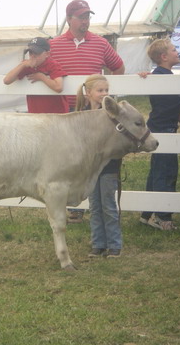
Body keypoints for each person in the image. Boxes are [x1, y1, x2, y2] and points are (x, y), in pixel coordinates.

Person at [49, 0, 125, 223]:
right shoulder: (54, 45)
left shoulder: (100, 43)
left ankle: (88, 202)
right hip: (69, 110)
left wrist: (105, 94)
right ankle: (76, 204)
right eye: (81, 16)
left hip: (93, 111)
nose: (85, 21)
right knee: (72, 158)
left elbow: (118, 66)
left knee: (93, 156)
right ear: (69, 19)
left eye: (87, 16)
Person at [138, 39, 180, 230]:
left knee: (157, 172)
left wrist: (178, 116)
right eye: (173, 49)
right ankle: (162, 216)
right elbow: (153, 91)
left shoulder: (166, 75)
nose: (177, 52)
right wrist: (145, 76)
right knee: (166, 172)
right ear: (163, 57)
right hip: (162, 131)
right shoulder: (159, 76)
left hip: (165, 127)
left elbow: (164, 104)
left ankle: (147, 214)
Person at [74, 75, 122, 258]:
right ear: (88, 93)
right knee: (95, 207)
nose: (104, 94)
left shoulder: (113, 113)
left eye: (107, 90)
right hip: (90, 169)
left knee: (108, 206)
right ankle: (98, 243)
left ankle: (114, 244)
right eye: (100, 90)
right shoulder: (82, 113)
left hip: (109, 166)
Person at [3, 37, 68, 113]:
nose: (33, 56)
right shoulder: (27, 65)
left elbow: (59, 87)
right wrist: (23, 65)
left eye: (37, 53)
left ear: (47, 54)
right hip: (35, 112)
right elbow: (7, 80)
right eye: (30, 53)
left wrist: (42, 77)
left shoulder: (53, 65)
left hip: (56, 113)